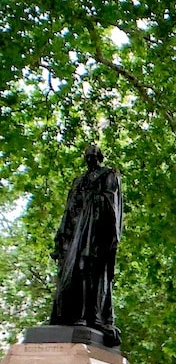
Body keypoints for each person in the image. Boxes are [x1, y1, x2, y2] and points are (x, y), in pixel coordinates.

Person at [50, 143, 123, 347]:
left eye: (93, 156)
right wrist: (61, 237)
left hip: (95, 234)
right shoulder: (78, 181)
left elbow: (111, 204)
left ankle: (90, 316)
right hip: (76, 235)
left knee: (89, 270)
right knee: (72, 272)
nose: (90, 159)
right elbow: (69, 209)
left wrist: (91, 200)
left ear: (99, 157)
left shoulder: (108, 175)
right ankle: (73, 315)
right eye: (87, 156)